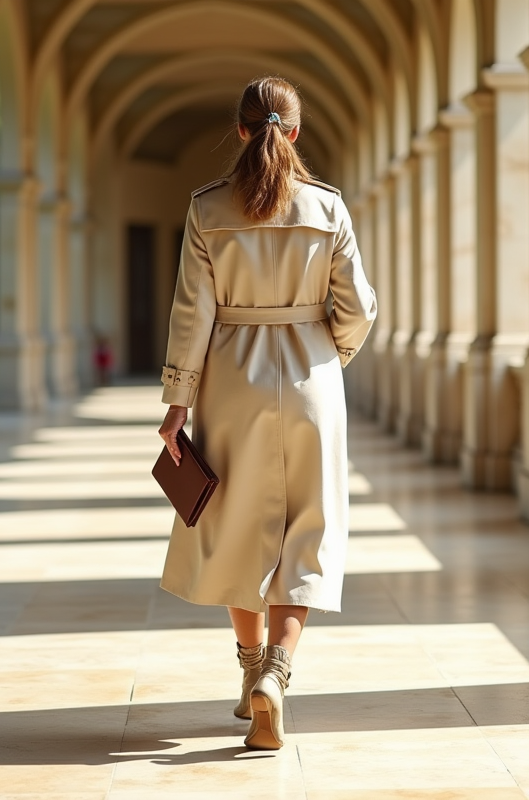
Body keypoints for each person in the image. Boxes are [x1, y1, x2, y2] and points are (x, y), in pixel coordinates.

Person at [157, 76, 377, 751]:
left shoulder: (206, 209)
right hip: (311, 378)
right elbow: (361, 309)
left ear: (242, 129)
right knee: (307, 527)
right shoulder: (327, 208)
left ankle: (251, 667)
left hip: (231, 383)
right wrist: (327, 356)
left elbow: (193, 315)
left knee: (234, 524)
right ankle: (278, 674)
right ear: (296, 132)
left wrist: (177, 405)